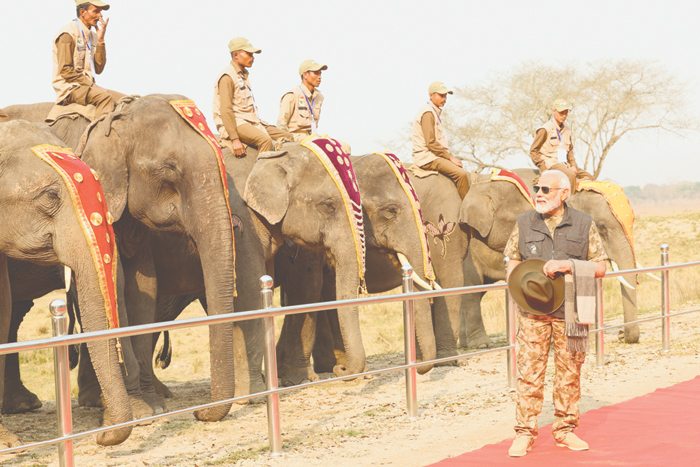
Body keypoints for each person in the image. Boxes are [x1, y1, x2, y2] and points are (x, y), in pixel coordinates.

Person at [503, 169, 607, 457]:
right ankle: (524, 433)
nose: (539, 193)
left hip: (571, 311)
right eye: (537, 188)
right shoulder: (523, 223)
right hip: (532, 312)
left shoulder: (584, 224)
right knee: (529, 374)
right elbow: (512, 259)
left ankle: (565, 430)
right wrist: (517, 288)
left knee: (569, 374)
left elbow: (601, 266)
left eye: (546, 189)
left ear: (564, 194)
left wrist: (567, 265)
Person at [212, 37, 292, 157]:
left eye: (252, 54)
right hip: (237, 122)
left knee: (288, 137)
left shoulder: (243, 75)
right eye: (249, 54)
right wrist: (235, 139)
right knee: (265, 140)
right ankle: (261, 175)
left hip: (252, 120)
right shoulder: (227, 77)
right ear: (236, 55)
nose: (252, 57)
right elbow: (225, 110)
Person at [52, 1, 125, 119]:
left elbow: (99, 68)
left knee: (127, 101)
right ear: (82, 12)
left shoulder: (93, 36)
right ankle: (100, 135)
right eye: (96, 11)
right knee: (105, 97)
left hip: (88, 87)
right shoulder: (67, 34)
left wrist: (101, 40)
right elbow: (65, 71)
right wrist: (93, 86)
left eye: (100, 12)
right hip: (71, 89)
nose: (100, 16)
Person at [277, 60, 351, 154]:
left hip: (312, 137)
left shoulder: (319, 98)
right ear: (305, 75)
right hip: (296, 138)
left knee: (345, 147)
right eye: (316, 73)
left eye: (320, 74)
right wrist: (287, 144)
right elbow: (281, 124)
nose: (319, 77)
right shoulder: (292, 95)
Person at [411, 81, 469, 199]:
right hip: (427, 157)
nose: (444, 98)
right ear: (431, 95)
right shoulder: (428, 113)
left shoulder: (433, 111)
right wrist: (450, 157)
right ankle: (468, 210)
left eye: (445, 96)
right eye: (441, 95)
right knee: (461, 174)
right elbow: (430, 142)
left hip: (433, 155)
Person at [530, 99, 593, 191]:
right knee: (570, 175)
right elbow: (533, 151)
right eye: (561, 113)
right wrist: (543, 168)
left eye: (566, 113)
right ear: (554, 111)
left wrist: (573, 165)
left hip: (565, 164)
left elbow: (570, 150)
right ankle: (570, 201)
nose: (564, 115)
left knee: (589, 177)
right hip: (551, 163)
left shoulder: (567, 129)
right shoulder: (545, 129)